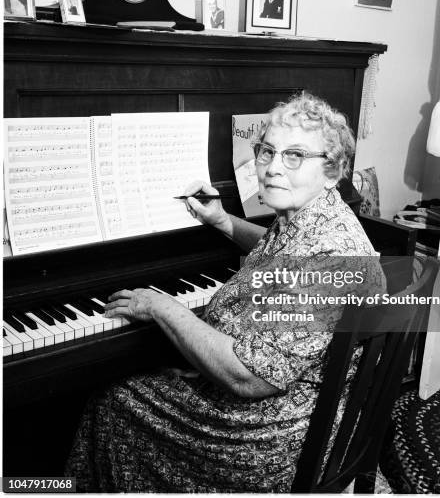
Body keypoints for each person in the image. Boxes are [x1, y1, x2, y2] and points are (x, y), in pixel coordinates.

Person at [65, 93, 383, 492]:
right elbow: (276, 250)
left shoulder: (330, 256)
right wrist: (222, 220)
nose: (271, 169)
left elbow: (250, 378)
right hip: (291, 408)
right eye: (267, 152)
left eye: (295, 155)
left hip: (269, 439)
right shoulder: (317, 215)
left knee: (112, 400)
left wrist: (165, 307)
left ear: (333, 170)